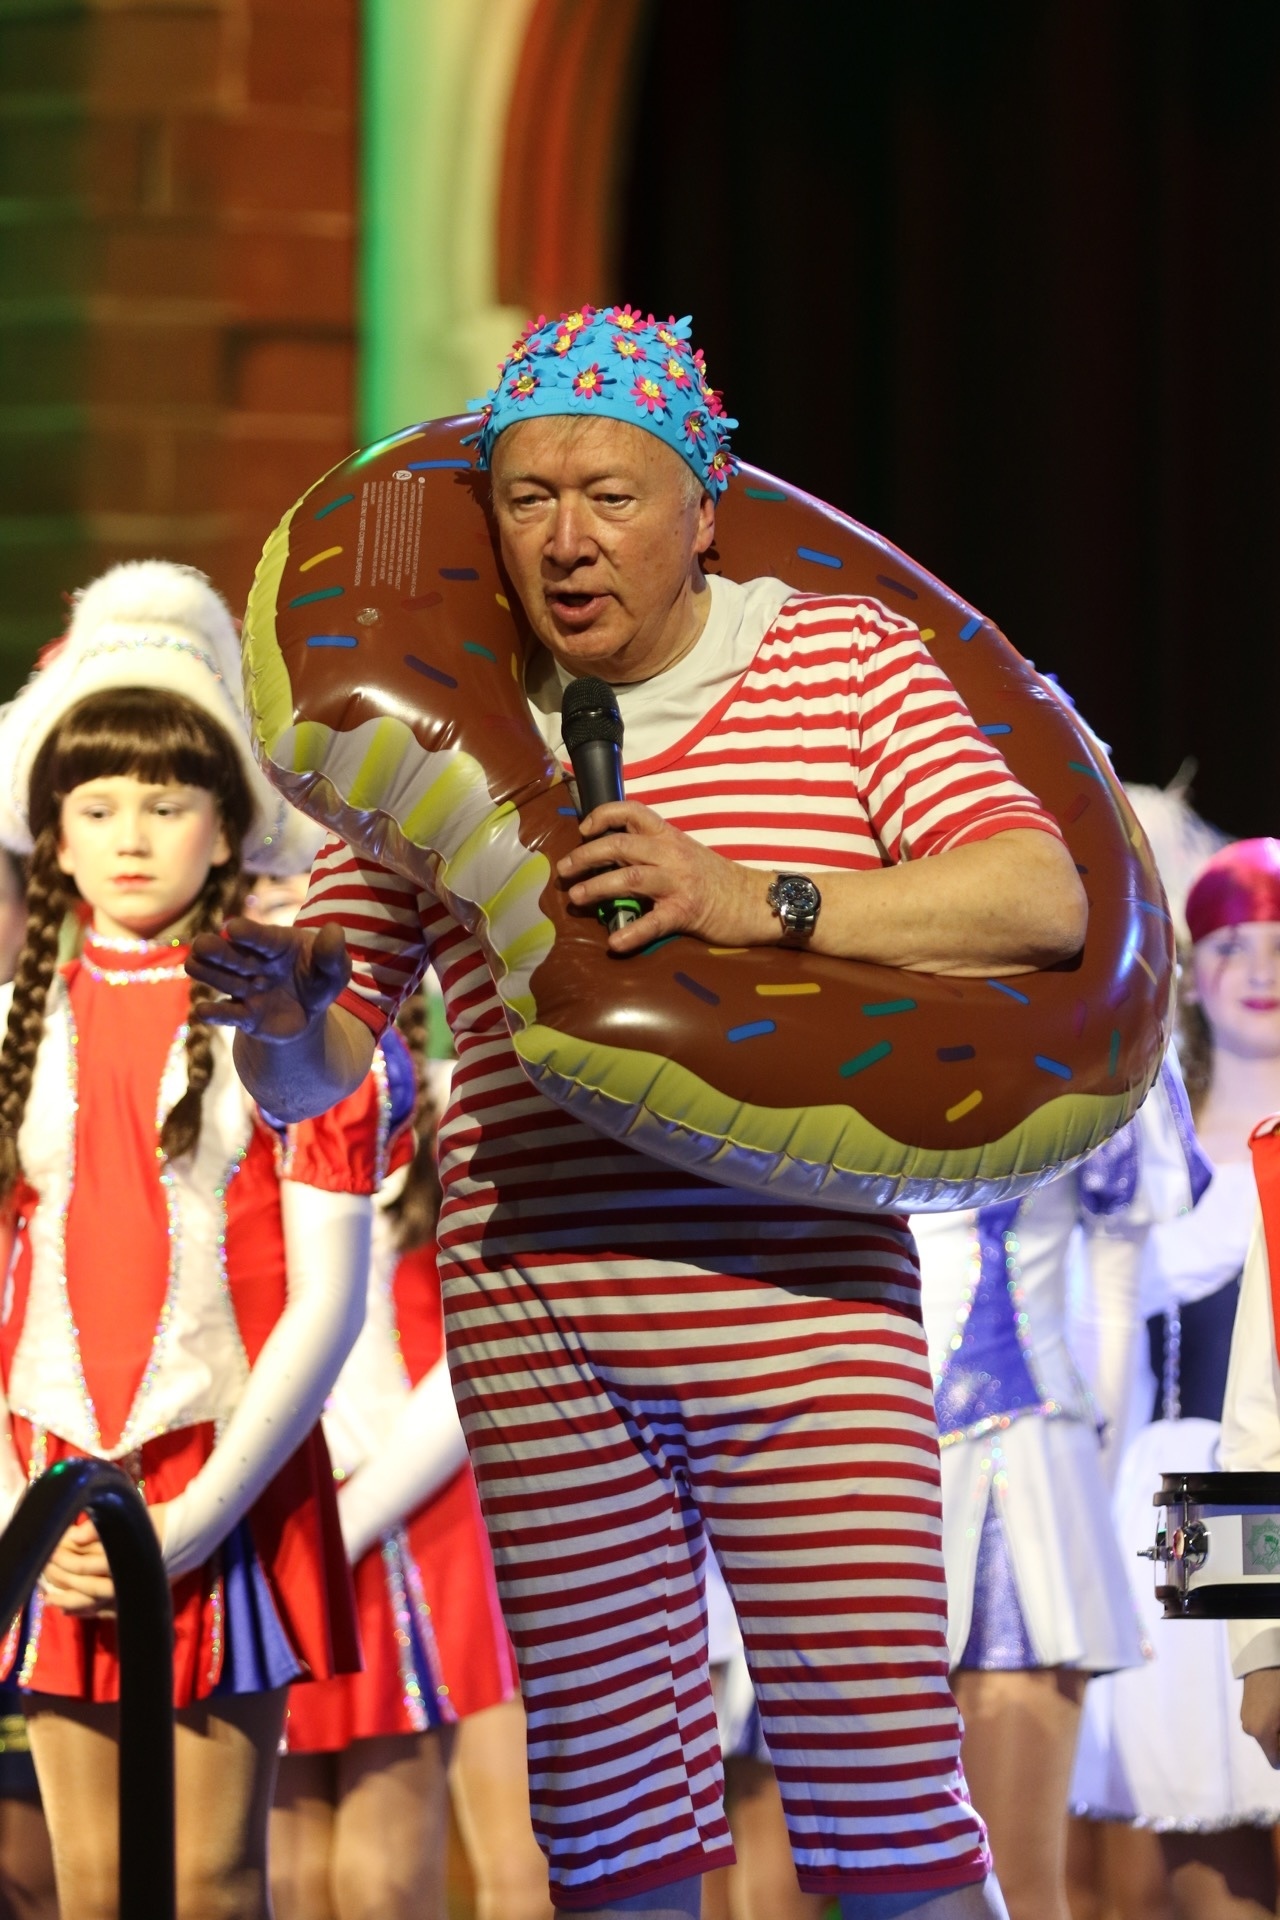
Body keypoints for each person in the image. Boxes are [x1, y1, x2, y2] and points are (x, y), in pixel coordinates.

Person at [190, 304, 1088, 1920]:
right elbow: (333, 1058)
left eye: (610, 496)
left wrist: (754, 896)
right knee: (610, 1837)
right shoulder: (440, 703)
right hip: (537, 1317)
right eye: (528, 498)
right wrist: (277, 1023)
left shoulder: (842, 660)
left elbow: (1038, 898)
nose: (566, 539)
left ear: (704, 508)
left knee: (889, 1813)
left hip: (805, 1312)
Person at [0, 560, 380, 1920]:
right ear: (52, 833)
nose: (132, 836)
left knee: (212, 1883)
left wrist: (192, 1520)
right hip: (46, 1482)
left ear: (230, 828)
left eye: (168, 804)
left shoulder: (301, 1028)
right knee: (90, 1883)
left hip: (223, 1478)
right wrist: (19, 1508)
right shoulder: (15, 1024)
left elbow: (329, 1305)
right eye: (98, 806)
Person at [1069, 838, 1280, 1920]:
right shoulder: (1148, 1135)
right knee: (1198, 1806)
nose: (1261, 969)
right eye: (1235, 945)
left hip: (1236, 1475)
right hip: (1188, 1495)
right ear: (1192, 974)